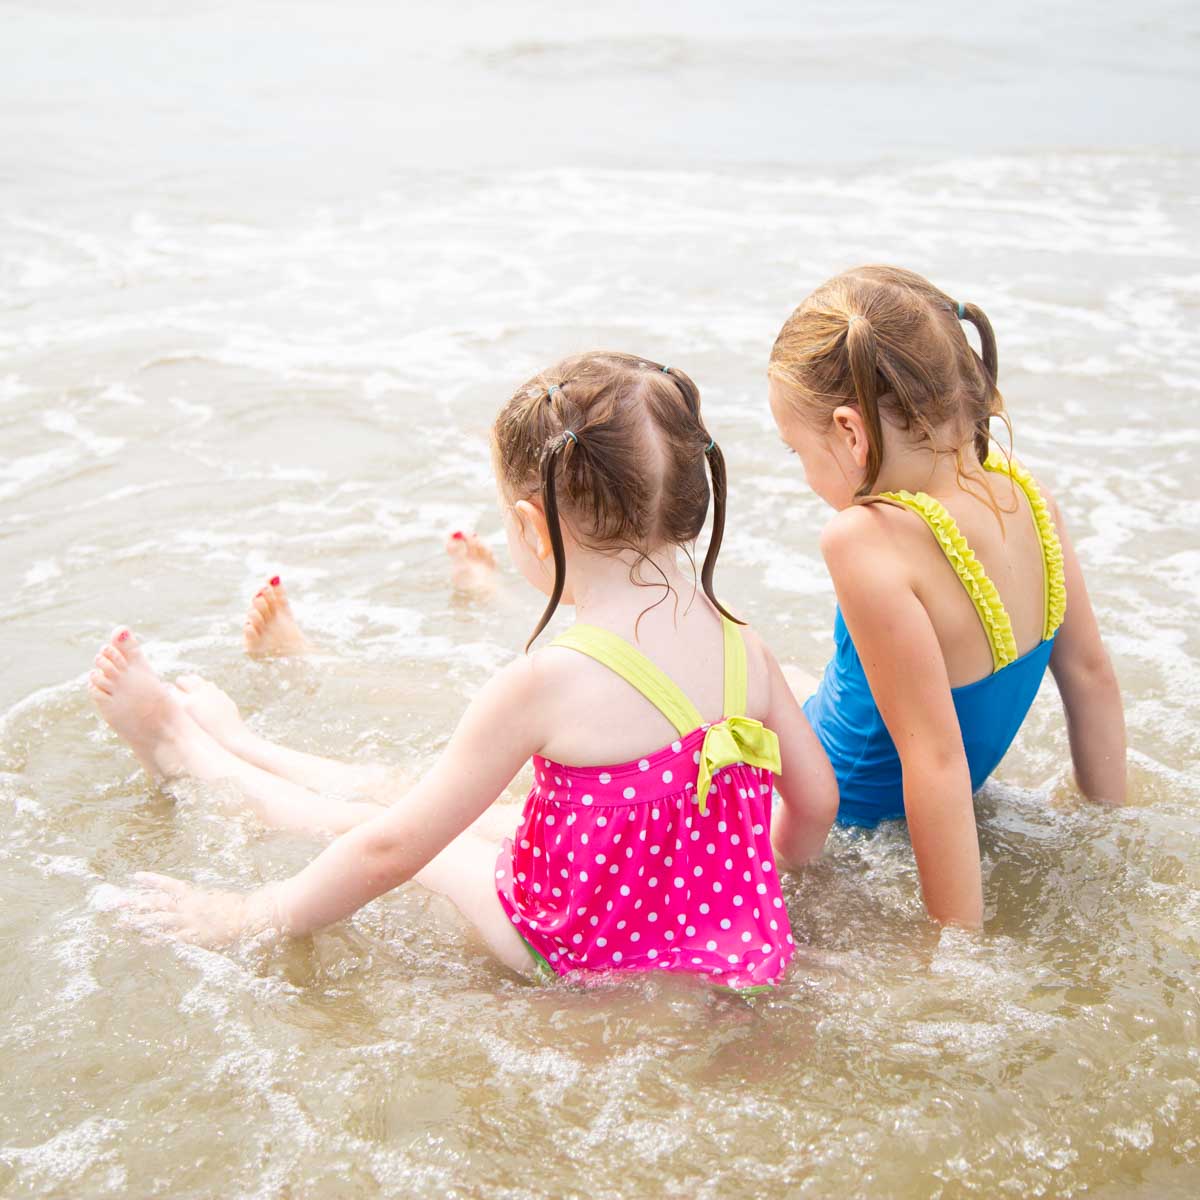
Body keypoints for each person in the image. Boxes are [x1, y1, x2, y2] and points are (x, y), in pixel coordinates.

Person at [91, 352, 837, 988]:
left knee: (376, 822)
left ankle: (185, 751)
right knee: (471, 815)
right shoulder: (746, 645)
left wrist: (252, 915)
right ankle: (241, 747)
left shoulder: (541, 685)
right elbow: (817, 805)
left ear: (528, 526)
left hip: (575, 949)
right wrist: (745, 876)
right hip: (731, 945)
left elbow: (389, 852)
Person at [767, 266, 1126, 928]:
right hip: (878, 761)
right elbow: (1091, 676)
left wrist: (958, 954)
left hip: (842, 819)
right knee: (785, 687)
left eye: (799, 452)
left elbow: (933, 762)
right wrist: (1111, 834)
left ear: (850, 432)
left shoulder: (863, 540)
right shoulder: (1028, 497)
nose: (806, 476)